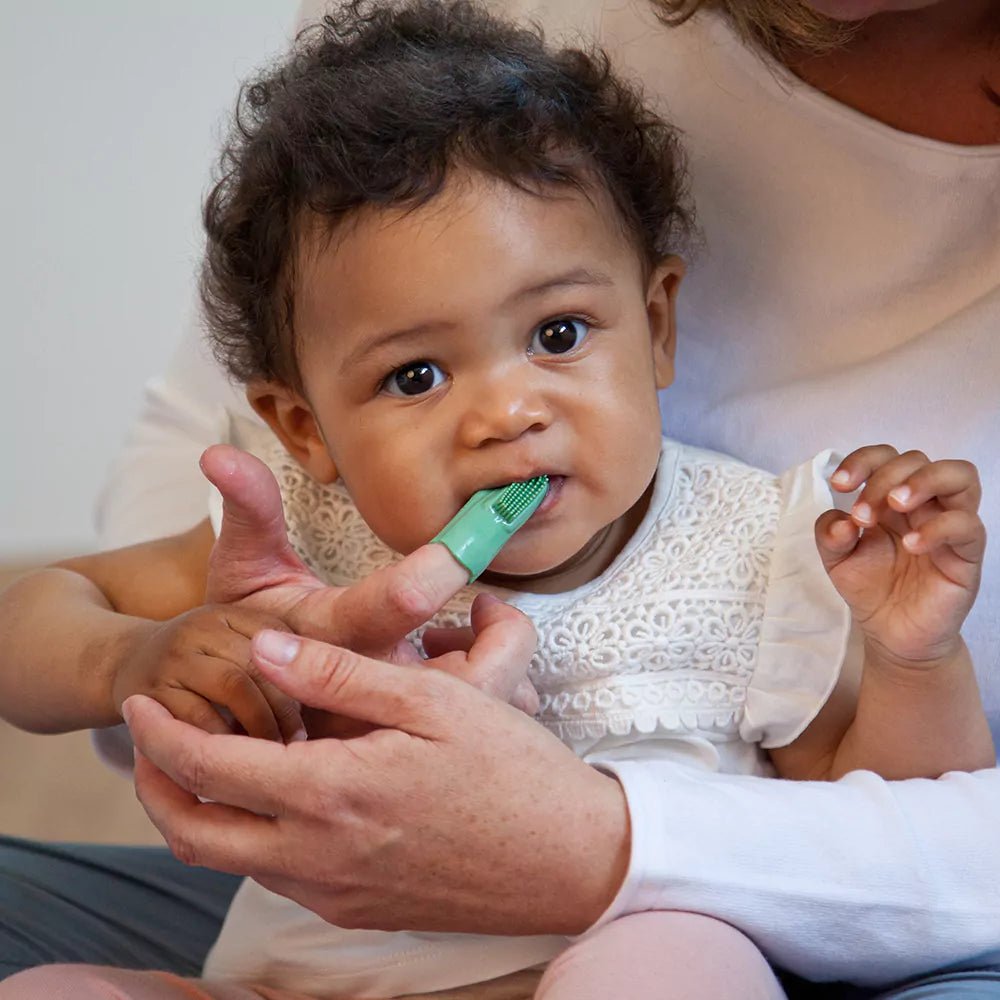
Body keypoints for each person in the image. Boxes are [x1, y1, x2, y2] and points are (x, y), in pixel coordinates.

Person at [0, 0, 997, 997]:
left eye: (558, 335)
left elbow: (896, 835)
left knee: (677, 957)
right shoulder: (300, 529)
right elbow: (29, 620)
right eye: (416, 376)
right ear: (306, 429)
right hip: (291, 985)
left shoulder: (754, 546)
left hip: (587, 972)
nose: (506, 413)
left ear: (654, 326)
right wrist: (132, 657)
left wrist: (914, 657)